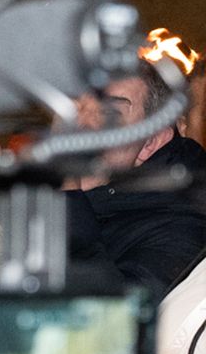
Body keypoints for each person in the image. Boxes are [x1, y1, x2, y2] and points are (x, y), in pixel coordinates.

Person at [67, 69, 206, 298]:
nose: (82, 124)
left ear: (150, 143)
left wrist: (66, 198)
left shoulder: (184, 225)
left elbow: (116, 313)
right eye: (74, 107)